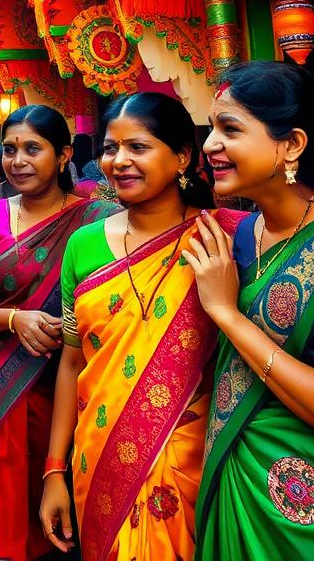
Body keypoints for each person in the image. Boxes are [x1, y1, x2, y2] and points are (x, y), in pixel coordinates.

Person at [40, 93, 243, 561]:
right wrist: (54, 472)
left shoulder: (226, 237)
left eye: (139, 147)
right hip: (100, 456)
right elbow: (72, 362)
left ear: (182, 157)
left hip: (196, 456)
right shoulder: (83, 245)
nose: (119, 161)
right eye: (111, 149)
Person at [0, 106, 119, 561]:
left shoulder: (99, 219)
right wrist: (15, 319)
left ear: (64, 154)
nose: (18, 161)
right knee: (5, 491)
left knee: (60, 483)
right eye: (9, 150)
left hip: (65, 375)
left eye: (33, 149)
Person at [190, 63, 314, 561]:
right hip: (233, 472)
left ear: (290, 145)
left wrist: (227, 314)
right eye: (210, 129)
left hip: (304, 499)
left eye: (229, 129)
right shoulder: (241, 235)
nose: (208, 146)